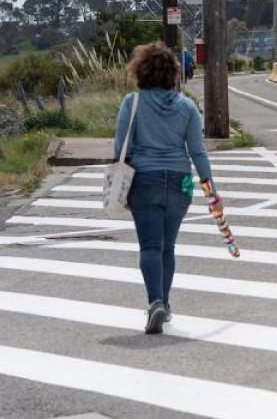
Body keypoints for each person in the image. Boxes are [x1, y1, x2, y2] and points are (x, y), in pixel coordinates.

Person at [113, 42, 220, 334]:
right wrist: (210, 189)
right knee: (167, 247)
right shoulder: (186, 106)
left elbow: (120, 147)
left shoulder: (131, 103)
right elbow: (198, 152)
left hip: (144, 180)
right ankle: (166, 305)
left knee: (150, 245)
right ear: (174, 72)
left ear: (140, 71)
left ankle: (156, 301)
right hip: (180, 181)